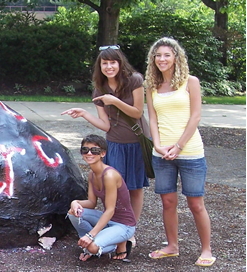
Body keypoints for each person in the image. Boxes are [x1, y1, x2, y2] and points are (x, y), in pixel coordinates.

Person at [61, 45, 148, 247]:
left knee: (134, 188)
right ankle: (116, 228)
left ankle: (129, 230)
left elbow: (137, 112)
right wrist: (84, 113)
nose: (109, 67)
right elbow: (105, 124)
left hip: (136, 141)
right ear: (99, 66)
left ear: (120, 63)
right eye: (105, 63)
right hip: (115, 142)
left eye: (113, 62)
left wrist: (114, 101)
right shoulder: (99, 89)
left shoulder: (134, 80)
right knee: (117, 187)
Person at [144, 37, 215, 267]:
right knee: (168, 202)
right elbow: (152, 119)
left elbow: (195, 116)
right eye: (158, 55)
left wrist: (179, 146)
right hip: (162, 154)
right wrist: (156, 144)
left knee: (196, 204)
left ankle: (206, 250)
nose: (162, 59)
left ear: (176, 57)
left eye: (166, 55)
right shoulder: (152, 86)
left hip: (190, 152)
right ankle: (172, 246)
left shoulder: (190, 82)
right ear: (153, 59)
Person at [68, 134, 136, 262]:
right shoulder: (92, 174)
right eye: (85, 150)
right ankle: (90, 242)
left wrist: (90, 235)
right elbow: (92, 203)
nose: (89, 153)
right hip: (109, 221)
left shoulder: (109, 175)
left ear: (102, 154)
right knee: (73, 213)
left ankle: (116, 243)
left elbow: (110, 210)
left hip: (124, 225)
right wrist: (75, 202)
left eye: (94, 150)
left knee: (93, 247)